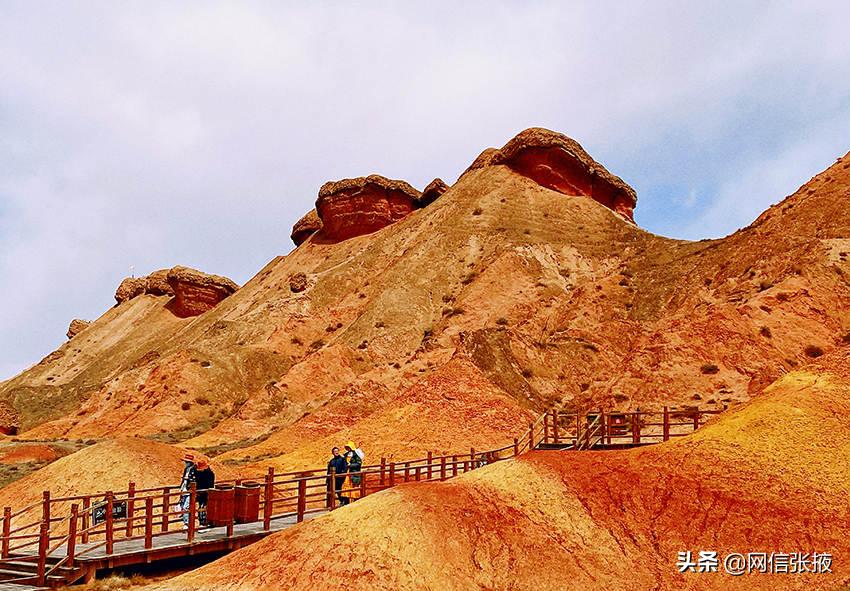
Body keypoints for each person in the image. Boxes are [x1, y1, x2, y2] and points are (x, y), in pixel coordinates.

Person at [194, 459, 215, 528]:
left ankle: (203, 523)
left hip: (205, 493)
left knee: (203, 508)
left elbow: (206, 484)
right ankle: (203, 523)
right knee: (203, 508)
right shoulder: (209, 473)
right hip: (205, 493)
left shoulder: (208, 474)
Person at [178, 453, 196, 530]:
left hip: (189, 490)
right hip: (184, 489)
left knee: (186, 507)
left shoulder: (194, 469)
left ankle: (187, 524)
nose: (185, 463)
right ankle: (185, 522)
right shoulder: (186, 469)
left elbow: (194, 480)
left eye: (186, 462)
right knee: (182, 505)